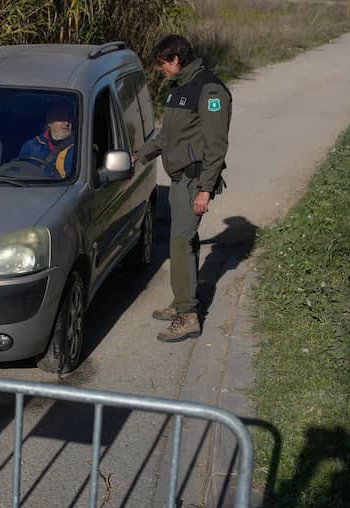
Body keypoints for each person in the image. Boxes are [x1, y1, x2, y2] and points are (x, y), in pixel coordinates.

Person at [133, 35, 232, 342]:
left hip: (195, 181)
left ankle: (188, 316)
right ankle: (182, 301)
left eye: (162, 64)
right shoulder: (178, 89)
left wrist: (205, 189)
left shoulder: (210, 91)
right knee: (184, 242)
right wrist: (139, 155)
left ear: (176, 60)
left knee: (180, 241)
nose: (160, 70)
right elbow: (167, 137)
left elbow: (216, 145)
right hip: (179, 181)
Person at [18, 101, 76, 178]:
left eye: (69, 119)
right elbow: (20, 172)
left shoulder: (78, 148)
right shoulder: (31, 145)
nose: (66, 123)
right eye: (61, 118)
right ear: (49, 122)